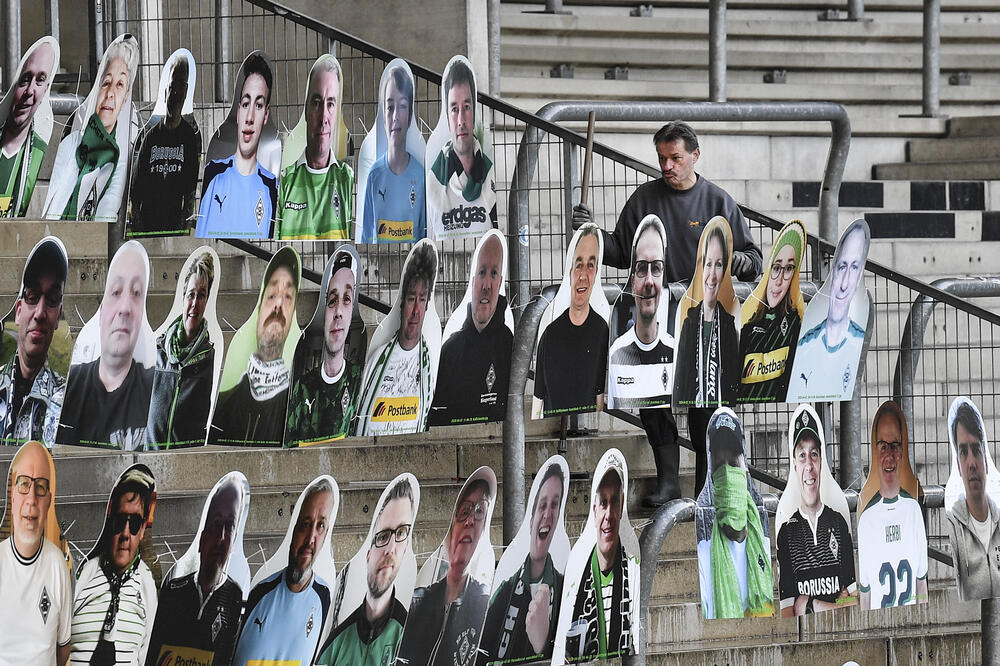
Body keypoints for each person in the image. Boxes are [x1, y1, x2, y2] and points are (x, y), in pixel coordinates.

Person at [572, 120, 762, 506]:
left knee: (704, 407)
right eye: (662, 158)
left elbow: (754, 261)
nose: (668, 166)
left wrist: (731, 259)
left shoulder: (718, 202)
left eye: (675, 158)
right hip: (655, 319)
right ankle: (669, 482)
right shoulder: (644, 199)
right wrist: (590, 233)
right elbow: (622, 251)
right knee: (653, 401)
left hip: (705, 322)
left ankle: (707, 488)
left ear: (695, 155)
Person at [57, 241, 154, 449]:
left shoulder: (158, 392)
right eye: (116, 292)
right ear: (101, 313)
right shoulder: (64, 388)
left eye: (137, 293)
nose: (125, 308)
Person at [232, 479, 335, 666]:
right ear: (294, 529)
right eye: (305, 523)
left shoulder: (326, 602)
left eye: (320, 526)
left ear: (326, 535)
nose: (310, 538)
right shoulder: (259, 594)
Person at [145, 477, 246, 666]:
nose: (221, 537)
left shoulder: (234, 596)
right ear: (201, 536)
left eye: (230, 525)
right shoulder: (173, 590)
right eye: (216, 523)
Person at [316, 478, 415, 665]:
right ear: (368, 555)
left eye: (401, 533)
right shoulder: (336, 642)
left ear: (406, 547)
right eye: (383, 536)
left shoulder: (410, 638)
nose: (390, 548)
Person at [396, 475, 492, 666]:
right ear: (452, 526)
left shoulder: (486, 604)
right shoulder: (416, 602)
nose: (470, 520)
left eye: (479, 511)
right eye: (464, 511)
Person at [43, 35, 139, 221]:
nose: (110, 93)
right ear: (97, 89)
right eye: (106, 83)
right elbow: (52, 209)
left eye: (120, 85)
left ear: (126, 98)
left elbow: (110, 208)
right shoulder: (71, 143)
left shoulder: (123, 153)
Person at [70, 465, 158, 664]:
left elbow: (144, 655)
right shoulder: (84, 574)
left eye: (134, 523)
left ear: (143, 529)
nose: (126, 534)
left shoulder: (146, 585)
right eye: (120, 521)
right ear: (109, 521)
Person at [211, 246, 299, 446]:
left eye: (287, 296)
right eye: (271, 295)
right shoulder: (224, 404)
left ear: (293, 315)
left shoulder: (296, 411)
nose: (278, 304)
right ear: (258, 313)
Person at [480, 463, 565, 663]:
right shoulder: (505, 589)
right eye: (542, 505)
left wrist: (542, 644)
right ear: (531, 519)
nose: (547, 515)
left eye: (555, 505)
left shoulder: (565, 586)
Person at [776, 408, 856, 617]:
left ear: (821, 462)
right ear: (794, 464)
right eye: (802, 455)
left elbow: (853, 601)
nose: (809, 465)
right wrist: (837, 604)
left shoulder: (838, 522)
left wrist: (812, 606)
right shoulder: (786, 532)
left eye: (814, 454)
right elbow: (787, 611)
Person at [0, 441, 72, 665]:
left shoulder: (58, 565)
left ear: (49, 502)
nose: (31, 499)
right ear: (12, 497)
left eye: (40, 486)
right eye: (24, 484)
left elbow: (63, 650)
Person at [355, 240, 437, 436]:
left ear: (427, 306)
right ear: (401, 304)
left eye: (422, 299)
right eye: (411, 299)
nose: (416, 310)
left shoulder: (429, 365)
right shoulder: (378, 359)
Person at [696, 409, 773, 620]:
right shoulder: (704, 551)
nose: (728, 474)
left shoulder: (764, 540)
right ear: (711, 477)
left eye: (733, 463)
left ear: (745, 470)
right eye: (719, 465)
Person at [431, 231, 512, 424]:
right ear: (473, 280)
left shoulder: (510, 345)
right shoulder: (451, 349)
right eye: (482, 272)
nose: (486, 285)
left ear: (500, 282)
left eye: (493, 274)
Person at [196, 53, 279, 239]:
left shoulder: (271, 187)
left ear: (266, 115)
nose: (250, 117)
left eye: (258, 105)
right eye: (246, 103)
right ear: (238, 110)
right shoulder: (214, 174)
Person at [786, 219, 869, 400]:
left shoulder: (858, 339)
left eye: (854, 267)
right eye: (841, 267)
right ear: (832, 273)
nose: (845, 284)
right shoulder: (805, 345)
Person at [286, 250, 363, 445]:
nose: (338, 312)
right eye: (332, 301)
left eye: (346, 299)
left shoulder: (360, 382)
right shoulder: (302, 389)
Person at [533, 224, 609, 417]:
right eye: (578, 265)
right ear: (569, 271)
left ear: (597, 272)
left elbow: (599, 402)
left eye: (590, 265)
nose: (583, 275)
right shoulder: (549, 334)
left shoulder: (602, 330)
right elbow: (537, 404)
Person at [857, 401, 928, 609]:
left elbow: (921, 584)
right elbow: (866, 595)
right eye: (882, 446)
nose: (889, 455)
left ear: (903, 451)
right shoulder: (867, 519)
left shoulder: (913, 510)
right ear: (874, 451)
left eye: (894, 445)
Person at [0, 236, 68, 447]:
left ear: (58, 316)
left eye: (52, 298)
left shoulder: (68, 406)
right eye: (32, 296)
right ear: (19, 312)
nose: (40, 312)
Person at [277, 54, 353, 240]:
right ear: (306, 110)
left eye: (331, 104)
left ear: (337, 114)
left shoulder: (348, 180)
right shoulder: (284, 184)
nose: (323, 117)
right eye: (317, 103)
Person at [147, 251, 216, 447]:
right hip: (150, 459)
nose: (195, 303)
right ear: (183, 298)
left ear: (207, 300)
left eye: (201, 295)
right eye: (191, 295)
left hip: (185, 465)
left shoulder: (209, 358)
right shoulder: (158, 350)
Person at [129, 54, 201, 234]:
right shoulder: (151, 137)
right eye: (172, 87)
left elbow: (190, 191)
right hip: (148, 226)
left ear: (186, 93)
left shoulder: (189, 138)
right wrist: (137, 223)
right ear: (165, 92)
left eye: (181, 86)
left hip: (174, 227)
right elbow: (136, 189)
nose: (175, 93)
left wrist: (183, 226)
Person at [607, 215, 673, 411]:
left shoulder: (677, 352)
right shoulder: (616, 354)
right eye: (642, 269)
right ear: (632, 279)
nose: (650, 281)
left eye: (657, 268)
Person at [566, 467, 632, 660]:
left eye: (615, 502)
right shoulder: (577, 569)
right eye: (603, 503)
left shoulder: (632, 564)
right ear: (594, 511)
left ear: (622, 509)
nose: (609, 515)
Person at [426, 57, 497, 239]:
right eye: (454, 109)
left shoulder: (489, 171)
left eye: (466, 107)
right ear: (447, 116)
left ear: (474, 112)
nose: (460, 121)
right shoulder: (435, 179)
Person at [673, 219, 740, 407]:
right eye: (708, 264)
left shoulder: (729, 326)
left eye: (718, 264)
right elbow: (681, 384)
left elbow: (732, 388)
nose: (712, 275)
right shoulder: (689, 322)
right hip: (694, 410)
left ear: (725, 269)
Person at [738, 220, 805, 403]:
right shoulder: (747, 323)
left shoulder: (796, 323)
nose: (780, 280)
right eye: (776, 268)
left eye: (789, 268)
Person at [360, 64, 426, 243]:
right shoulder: (374, 175)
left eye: (402, 106)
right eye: (390, 107)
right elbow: (365, 236)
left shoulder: (420, 176)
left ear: (410, 114)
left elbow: (424, 235)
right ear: (383, 116)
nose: (395, 115)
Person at [945, 398, 1000, 601]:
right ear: (958, 465)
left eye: (976, 450)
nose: (971, 463)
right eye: (963, 452)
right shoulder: (954, 522)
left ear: (985, 460)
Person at [0, 37, 57, 218]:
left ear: (46, 90)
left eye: (40, 80)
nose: (30, 90)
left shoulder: (44, 153)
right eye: (25, 79)